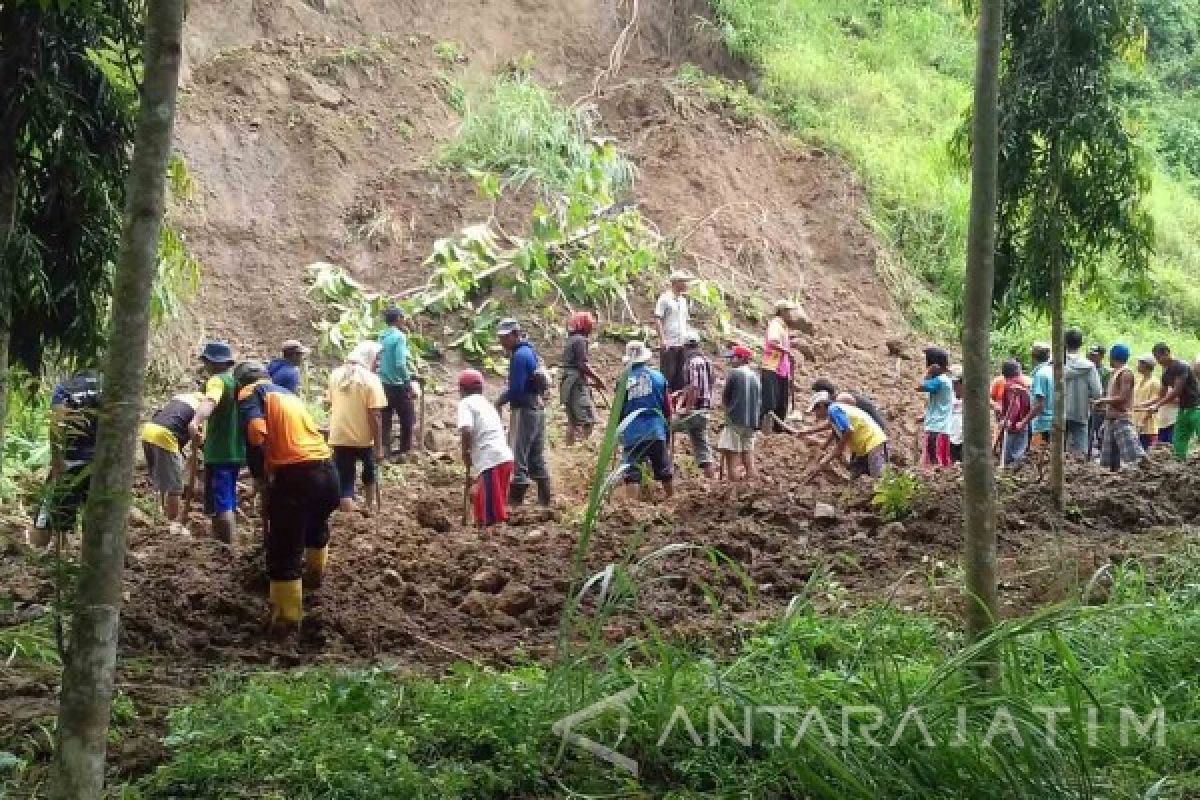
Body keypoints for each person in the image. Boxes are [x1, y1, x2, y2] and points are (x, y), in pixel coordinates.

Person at [236, 361, 340, 636]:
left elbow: (257, 433)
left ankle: (286, 619)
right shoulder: (288, 395)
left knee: (284, 546)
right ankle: (314, 578)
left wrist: (260, 474)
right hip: (328, 471)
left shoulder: (250, 394)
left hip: (296, 476)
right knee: (315, 526)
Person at [30, 370, 103, 548]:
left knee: (49, 515)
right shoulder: (106, 387)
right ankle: (88, 560)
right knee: (94, 515)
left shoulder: (65, 388)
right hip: (100, 462)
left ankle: (51, 553)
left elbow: (57, 423)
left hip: (71, 459)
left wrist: (56, 459)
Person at [189, 341, 246, 544]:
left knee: (221, 502)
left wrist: (196, 421)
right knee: (228, 497)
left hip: (219, 452)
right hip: (235, 451)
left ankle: (228, 548)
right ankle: (222, 545)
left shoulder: (217, 381)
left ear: (210, 363)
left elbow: (210, 401)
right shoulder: (236, 384)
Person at [496, 318, 552, 506]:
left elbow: (517, 389)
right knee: (536, 455)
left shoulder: (519, 357)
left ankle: (514, 504)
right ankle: (545, 502)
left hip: (524, 410)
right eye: (500, 337)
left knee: (517, 455)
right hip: (538, 409)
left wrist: (500, 400)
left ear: (515, 334)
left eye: (505, 337)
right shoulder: (530, 352)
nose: (502, 342)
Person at [327, 341, 387, 513]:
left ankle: (347, 510)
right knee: (370, 472)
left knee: (345, 477)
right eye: (377, 359)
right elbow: (375, 415)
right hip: (363, 437)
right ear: (368, 357)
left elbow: (331, 403)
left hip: (339, 435)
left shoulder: (335, 375)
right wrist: (379, 446)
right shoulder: (371, 380)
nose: (378, 363)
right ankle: (369, 507)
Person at [140, 388, 204, 535]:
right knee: (175, 486)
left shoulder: (183, 397)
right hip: (166, 437)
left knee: (160, 480)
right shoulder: (203, 407)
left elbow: (161, 415)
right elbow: (198, 436)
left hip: (148, 431)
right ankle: (173, 524)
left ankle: (160, 519)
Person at [457, 369, 515, 528]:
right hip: (504, 458)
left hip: (491, 461)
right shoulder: (486, 404)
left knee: (489, 513)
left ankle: (490, 542)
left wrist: (465, 452)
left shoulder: (465, 403)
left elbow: (466, 429)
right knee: (489, 504)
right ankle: (489, 537)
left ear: (461, 390)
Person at [617, 341, 673, 499]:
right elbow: (667, 409)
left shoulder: (623, 382)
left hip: (632, 432)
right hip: (655, 429)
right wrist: (667, 430)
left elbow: (618, 413)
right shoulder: (658, 377)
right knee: (663, 469)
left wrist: (619, 433)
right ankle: (672, 501)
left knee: (632, 472)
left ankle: (631, 509)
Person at [801, 391, 889, 483]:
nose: (816, 415)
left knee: (880, 481)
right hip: (868, 446)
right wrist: (806, 432)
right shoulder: (836, 411)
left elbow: (848, 430)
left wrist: (836, 450)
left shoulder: (833, 409)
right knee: (859, 481)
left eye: (815, 411)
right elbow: (831, 425)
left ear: (822, 405)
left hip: (873, 443)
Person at [1138, 343, 1200, 462]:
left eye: (1159, 357)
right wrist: (1145, 405)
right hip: (1183, 410)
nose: (1158, 361)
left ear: (1167, 353)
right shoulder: (1165, 374)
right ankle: (1180, 468)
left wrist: (1157, 405)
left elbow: (1176, 391)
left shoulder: (1181, 366)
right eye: (1156, 358)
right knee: (1178, 442)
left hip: (1196, 408)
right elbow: (1161, 395)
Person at [1091, 344, 1146, 471]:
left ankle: (1144, 477)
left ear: (1113, 356)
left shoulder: (1125, 373)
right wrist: (1103, 406)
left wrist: (1102, 400)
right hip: (1111, 419)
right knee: (1109, 459)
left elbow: (1123, 398)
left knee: (1134, 457)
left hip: (1121, 419)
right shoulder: (1115, 373)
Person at [672, 331, 716, 479]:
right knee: (701, 445)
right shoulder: (707, 361)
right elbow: (706, 384)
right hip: (705, 410)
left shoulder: (691, 362)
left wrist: (688, 408)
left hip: (695, 411)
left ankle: (663, 465)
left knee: (665, 426)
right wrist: (681, 392)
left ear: (685, 347)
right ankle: (712, 479)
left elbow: (695, 387)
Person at [559, 311, 605, 445]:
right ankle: (584, 448)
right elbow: (582, 364)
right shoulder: (580, 340)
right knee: (587, 419)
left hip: (567, 383)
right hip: (576, 384)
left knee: (572, 421)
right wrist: (598, 379)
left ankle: (569, 449)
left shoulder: (571, 340)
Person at [719, 345, 762, 482]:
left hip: (735, 420)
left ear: (742, 359)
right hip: (752, 422)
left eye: (733, 357)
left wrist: (726, 414)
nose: (731, 360)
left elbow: (725, 398)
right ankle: (752, 482)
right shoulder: (756, 376)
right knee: (748, 454)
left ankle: (734, 486)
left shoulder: (734, 373)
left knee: (731, 455)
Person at [378, 307, 416, 460]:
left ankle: (385, 450)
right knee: (407, 418)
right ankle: (404, 451)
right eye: (403, 317)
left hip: (383, 383)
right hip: (397, 384)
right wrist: (408, 383)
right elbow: (400, 364)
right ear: (398, 319)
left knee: (385, 418)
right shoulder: (399, 337)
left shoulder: (382, 336)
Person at [760, 299, 797, 433]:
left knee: (782, 401)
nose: (791, 314)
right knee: (770, 401)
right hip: (772, 366)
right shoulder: (775, 324)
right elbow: (773, 341)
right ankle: (763, 428)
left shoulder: (783, 326)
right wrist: (787, 351)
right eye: (789, 311)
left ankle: (778, 430)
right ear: (782, 312)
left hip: (781, 368)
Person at [1063, 329, 1102, 457]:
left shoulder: (1056, 364)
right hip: (1080, 412)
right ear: (1080, 344)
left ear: (1065, 343)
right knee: (1081, 451)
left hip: (1059, 412)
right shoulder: (1089, 367)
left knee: (1058, 450)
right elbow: (1097, 392)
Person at [916, 347, 954, 468]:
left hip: (935, 429)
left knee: (931, 466)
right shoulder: (946, 381)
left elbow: (918, 386)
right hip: (943, 429)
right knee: (941, 464)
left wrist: (927, 373)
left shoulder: (939, 381)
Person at [654, 271, 693, 392]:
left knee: (680, 375)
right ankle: (665, 402)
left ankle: (676, 404)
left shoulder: (683, 301)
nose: (687, 285)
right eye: (684, 282)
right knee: (667, 374)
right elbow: (657, 318)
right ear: (676, 283)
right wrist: (662, 340)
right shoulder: (665, 299)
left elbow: (685, 321)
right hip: (669, 342)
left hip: (682, 342)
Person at [810, 378, 888, 434]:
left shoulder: (839, 401)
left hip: (875, 430)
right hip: (872, 430)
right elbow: (835, 425)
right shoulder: (836, 402)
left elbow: (843, 428)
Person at [996, 359, 1032, 467]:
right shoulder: (1022, 383)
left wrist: (1008, 420)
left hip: (1014, 426)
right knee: (1018, 454)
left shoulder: (1010, 385)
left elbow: (1015, 405)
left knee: (1010, 456)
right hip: (1022, 423)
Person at [1021, 343, 1055, 448]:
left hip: (1042, 424)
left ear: (1033, 357)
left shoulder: (1040, 375)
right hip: (1052, 422)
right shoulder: (1051, 371)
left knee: (1038, 456)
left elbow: (1039, 405)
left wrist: (1024, 422)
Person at [1087, 345, 1111, 459]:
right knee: (1087, 435)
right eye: (1090, 354)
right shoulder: (1086, 369)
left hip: (1100, 408)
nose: (1091, 357)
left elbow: (1106, 391)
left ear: (1101, 356)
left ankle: (1103, 458)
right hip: (1087, 407)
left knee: (1100, 434)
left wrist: (1099, 401)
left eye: (1094, 355)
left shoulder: (1105, 372)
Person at [1133, 354, 1161, 449]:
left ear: (1146, 365)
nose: (1137, 365)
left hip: (1148, 425)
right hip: (1136, 421)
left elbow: (1154, 401)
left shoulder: (1155, 382)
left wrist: (1142, 421)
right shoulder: (1138, 379)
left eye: (1140, 363)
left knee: (1146, 451)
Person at [948, 367, 964, 463]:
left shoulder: (971, 395)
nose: (954, 386)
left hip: (965, 437)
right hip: (951, 434)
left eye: (956, 383)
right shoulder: (949, 395)